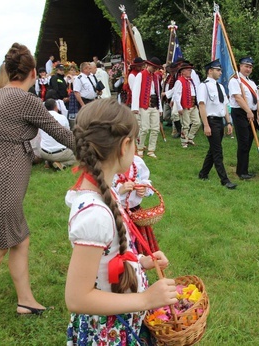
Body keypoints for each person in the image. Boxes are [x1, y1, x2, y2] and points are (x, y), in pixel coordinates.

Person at [0, 43, 75, 342]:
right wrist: (103, 152)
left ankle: (26, 300)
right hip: (0, 185)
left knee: (20, 239)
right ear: (34, 72)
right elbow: (63, 135)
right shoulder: (25, 100)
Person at [65, 98, 177, 345]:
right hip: (109, 330)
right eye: (135, 141)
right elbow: (77, 298)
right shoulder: (94, 215)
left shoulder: (106, 190)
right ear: (125, 145)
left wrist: (140, 262)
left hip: (122, 318)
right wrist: (147, 299)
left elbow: (107, 256)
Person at [197, 59, 237, 189]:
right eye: (218, 70)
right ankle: (224, 180)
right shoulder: (204, 86)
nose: (220, 72)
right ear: (210, 71)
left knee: (213, 149)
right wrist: (206, 125)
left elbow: (224, 106)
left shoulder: (220, 86)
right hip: (211, 121)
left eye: (220, 70)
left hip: (220, 121)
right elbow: (202, 106)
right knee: (217, 151)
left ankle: (203, 174)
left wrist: (228, 122)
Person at [229, 57, 259, 180]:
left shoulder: (251, 82)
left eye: (250, 67)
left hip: (252, 113)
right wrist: (248, 111)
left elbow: (256, 100)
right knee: (244, 141)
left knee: (249, 141)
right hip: (241, 113)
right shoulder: (235, 80)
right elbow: (238, 98)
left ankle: (244, 169)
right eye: (246, 66)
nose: (248, 69)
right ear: (240, 66)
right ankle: (241, 171)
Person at [113, 154, 158, 255]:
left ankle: (138, 265)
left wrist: (144, 188)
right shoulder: (109, 164)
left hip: (136, 213)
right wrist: (119, 191)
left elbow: (146, 180)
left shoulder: (137, 162)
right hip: (117, 213)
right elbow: (103, 191)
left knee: (138, 247)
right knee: (120, 248)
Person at [131, 57, 163, 159]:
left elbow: (157, 93)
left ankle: (151, 150)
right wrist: (135, 107)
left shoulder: (155, 77)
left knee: (155, 129)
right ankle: (140, 148)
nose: (155, 69)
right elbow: (136, 92)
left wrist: (160, 108)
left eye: (156, 68)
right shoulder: (140, 75)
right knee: (144, 128)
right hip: (144, 105)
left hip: (154, 105)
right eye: (154, 67)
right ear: (149, 65)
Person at [39, 98, 76, 170]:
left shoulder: (40, 119)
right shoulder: (62, 117)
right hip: (60, 152)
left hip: (44, 152)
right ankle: (61, 164)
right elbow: (68, 135)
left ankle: (48, 161)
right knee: (73, 159)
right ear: (56, 107)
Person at [172, 62, 201, 148]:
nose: (190, 72)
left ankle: (190, 138)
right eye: (188, 70)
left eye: (190, 70)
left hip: (193, 105)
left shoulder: (191, 80)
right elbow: (177, 95)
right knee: (186, 124)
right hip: (185, 106)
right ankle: (184, 141)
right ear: (183, 71)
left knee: (197, 122)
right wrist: (179, 107)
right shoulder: (179, 81)